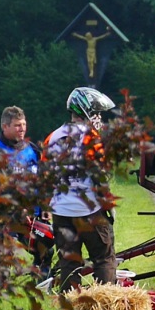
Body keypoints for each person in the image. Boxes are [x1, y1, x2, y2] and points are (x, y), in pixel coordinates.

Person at [42, 87, 118, 292]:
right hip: (89, 210)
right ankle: (106, 304)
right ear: (85, 111)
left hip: (61, 211)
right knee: (103, 258)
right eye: (96, 113)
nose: (99, 118)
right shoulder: (91, 138)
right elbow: (99, 176)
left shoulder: (52, 137)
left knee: (69, 262)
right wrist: (108, 205)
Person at [0, 106, 52, 273]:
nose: (22, 129)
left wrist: (45, 207)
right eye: (17, 125)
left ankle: (41, 287)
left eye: (24, 124)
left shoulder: (32, 149)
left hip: (32, 216)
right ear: (5, 127)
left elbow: (42, 180)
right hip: (4, 217)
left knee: (45, 250)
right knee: (2, 259)